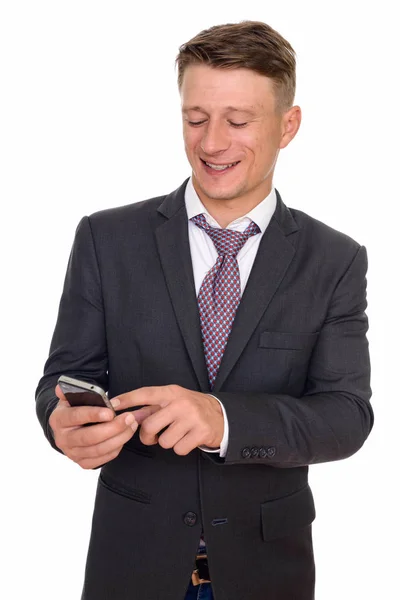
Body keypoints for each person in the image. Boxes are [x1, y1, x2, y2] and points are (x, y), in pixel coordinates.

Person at [35, 20, 373, 600]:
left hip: (268, 572)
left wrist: (225, 420)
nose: (212, 143)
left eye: (238, 122)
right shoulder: (106, 238)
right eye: (196, 118)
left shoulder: (335, 259)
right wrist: (60, 424)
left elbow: (346, 416)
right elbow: (62, 381)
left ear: (288, 126)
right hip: (131, 564)